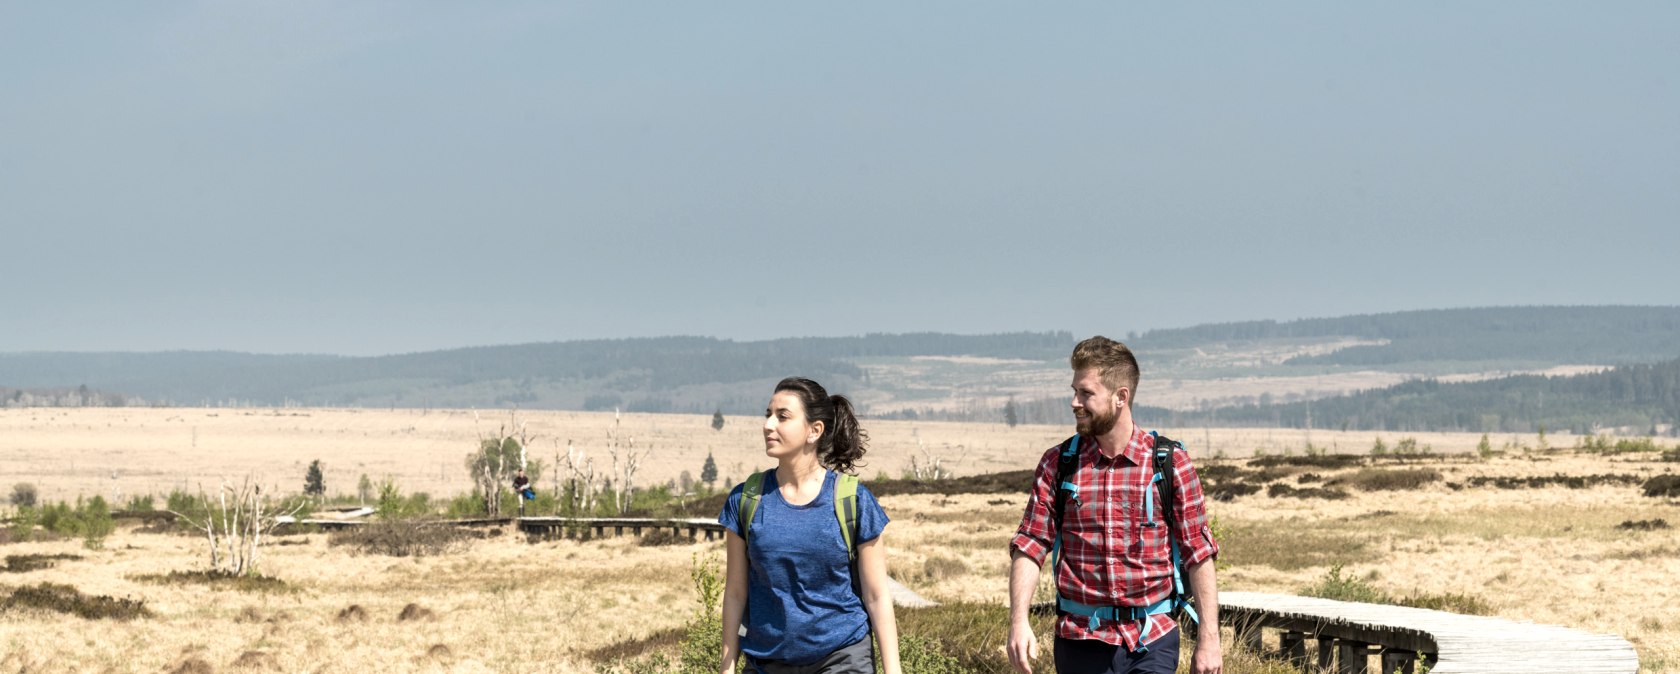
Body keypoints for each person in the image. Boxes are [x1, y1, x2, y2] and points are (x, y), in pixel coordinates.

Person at [1007, 336, 1222, 674]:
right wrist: (1018, 622)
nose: (1074, 401)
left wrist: (1209, 640)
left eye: (1086, 393)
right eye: (1075, 390)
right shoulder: (1058, 463)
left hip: (1152, 640)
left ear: (1121, 397)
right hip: (1079, 641)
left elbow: (1199, 553)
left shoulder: (1169, 463)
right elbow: (1030, 545)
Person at [718, 377, 903, 674]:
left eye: (782, 417)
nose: (768, 425)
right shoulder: (745, 500)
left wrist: (893, 671)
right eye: (768, 415)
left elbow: (877, 595)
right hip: (767, 659)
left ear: (814, 430)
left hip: (841, 657)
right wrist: (726, 667)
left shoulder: (852, 499)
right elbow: (736, 593)